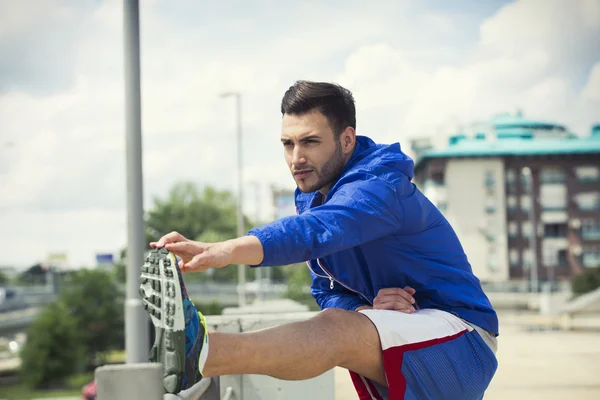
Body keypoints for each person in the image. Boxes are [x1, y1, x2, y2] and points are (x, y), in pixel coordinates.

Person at [139, 80, 499, 399]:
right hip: (410, 333)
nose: (297, 158)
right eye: (288, 144)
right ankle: (199, 353)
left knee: (335, 329)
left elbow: (313, 233)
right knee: (338, 318)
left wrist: (225, 250)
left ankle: (202, 353)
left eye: (310, 142)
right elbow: (326, 292)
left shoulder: (379, 189)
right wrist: (364, 308)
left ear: (346, 140)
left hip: (463, 339)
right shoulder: (315, 197)